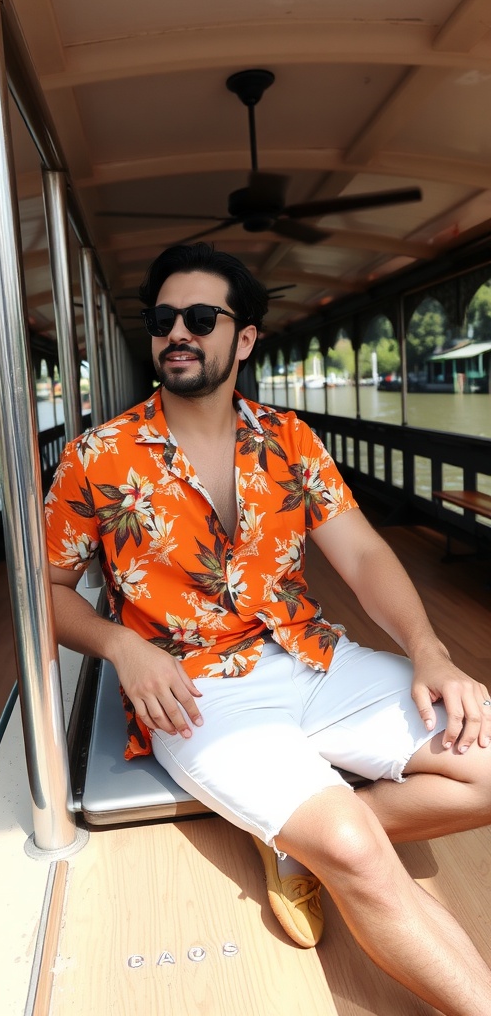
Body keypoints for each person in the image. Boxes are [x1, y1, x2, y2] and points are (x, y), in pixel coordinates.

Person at [46, 242, 491, 1016]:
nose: (176, 332)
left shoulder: (290, 440)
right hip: (199, 694)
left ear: (244, 338)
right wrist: (122, 643)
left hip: (314, 658)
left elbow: (362, 554)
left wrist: (431, 651)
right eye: (161, 319)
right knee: (356, 849)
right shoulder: (96, 457)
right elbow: (46, 595)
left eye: (199, 317)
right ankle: (328, 836)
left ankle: (295, 838)